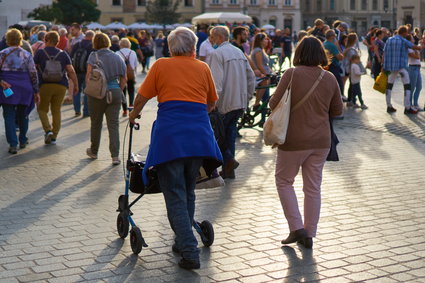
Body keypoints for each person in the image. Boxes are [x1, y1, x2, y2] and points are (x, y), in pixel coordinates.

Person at [128, 27, 222, 270]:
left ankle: (189, 251)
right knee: (188, 191)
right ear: (193, 47)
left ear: (170, 47)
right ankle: (182, 241)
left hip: (171, 139)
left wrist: (133, 115)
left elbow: (142, 97)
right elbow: (212, 102)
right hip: (199, 138)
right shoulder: (202, 67)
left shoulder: (160, 65)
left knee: (175, 197)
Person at [270, 36, 343, 249]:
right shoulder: (329, 78)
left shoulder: (291, 74)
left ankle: (296, 227)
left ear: (298, 53)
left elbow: (274, 103)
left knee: (284, 181)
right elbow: (338, 110)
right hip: (321, 141)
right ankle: (309, 233)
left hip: (293, 139)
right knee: (313, 188)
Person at [209, 26, 256, 179]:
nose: (211, 40)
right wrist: (248, 96)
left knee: (217, 136)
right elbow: (251, 77)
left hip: (225, 102)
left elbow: (217, 82)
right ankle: (229, 170)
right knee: (229, 135)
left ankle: (228, 161)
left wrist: (212, 102)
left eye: (212, 37)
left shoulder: (217, 54)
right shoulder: (238, 52)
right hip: (239, 101)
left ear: (219, 37)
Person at [85, 32, 126, 165]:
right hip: (114, 92)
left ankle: (94, 151)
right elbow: (124, 78)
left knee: (96, 123)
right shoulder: (117, 57)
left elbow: (88, 75)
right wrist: (119, 90)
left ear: (95, 43)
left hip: (98, 93)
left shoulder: (93, 56)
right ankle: (115, 156)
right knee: (113, 125)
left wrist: (89, 89)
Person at [34, 31, 79, 145]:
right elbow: (71, 71)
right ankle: (54, 136)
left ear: (46, 40)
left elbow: (33, 70)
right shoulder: (63, 54)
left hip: (44, 85)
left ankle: (48, 130)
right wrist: (75, 85)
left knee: (42, 109)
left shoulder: (40, 53)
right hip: (61, 85)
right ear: (57, 41)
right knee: (56, 110)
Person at [0, 28, 40, 154]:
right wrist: (36, 90)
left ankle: (13, 144)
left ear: (7, 40)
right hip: (24, 87)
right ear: (20, 39)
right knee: (23, 114)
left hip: (8, 86)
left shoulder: (2, 54)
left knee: (9, 115)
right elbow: (33, 73)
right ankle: (23, 139)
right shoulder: (26, 54)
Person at [383, 25, 422, 114]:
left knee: (389, 86)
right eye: (407, 32)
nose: (407, 34)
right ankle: (407, 107)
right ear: (404, 33)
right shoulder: (403, 40)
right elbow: (414, 47)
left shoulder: (389, 40)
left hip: (391, 67)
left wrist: (383, 65)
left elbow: (384, 53)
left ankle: (389, 106)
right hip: (401, 67)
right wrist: (420, 46)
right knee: (407, 86)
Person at [70, 30, 94, 117]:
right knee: (87, 91)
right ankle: (86, 111)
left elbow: (71, 57)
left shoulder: (77, 44)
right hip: (87, 71)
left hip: (76, 71)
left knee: (76, 90)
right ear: (92, 37)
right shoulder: (91, 46)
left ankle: (77, 110)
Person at [117, 38, 137, 116]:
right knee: (131, 90)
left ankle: (124, 110)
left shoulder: (117, 53)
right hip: (130, 74)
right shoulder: (133, 52)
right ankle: (131, 106)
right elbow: (135, 65)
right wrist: (134, 74)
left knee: (123, 92)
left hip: (121, 75)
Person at [251, 32, 272, 110]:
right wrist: (266, 74)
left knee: (266, 98)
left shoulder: (261, 50)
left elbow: (265, 64)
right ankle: (256, 104)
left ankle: (262, 116)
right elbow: (259, 65)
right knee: (265, 98)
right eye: (265, 39)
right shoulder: (258, 50)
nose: (267, 41)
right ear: (260, 41)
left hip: (265, 75)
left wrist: (271, 71)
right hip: (263, 76)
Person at [324, 30, 345, 100]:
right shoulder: (332, 45)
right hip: (333, 66)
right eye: (334, 36)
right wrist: (339, 48)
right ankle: (339, 97)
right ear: (332, 37)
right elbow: (339, 57)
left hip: (326, 66)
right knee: (338, 82)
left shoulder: (324, 43)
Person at [406, 35, 422, 111]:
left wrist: (418, 49)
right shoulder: (408, 48)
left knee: (419, 87)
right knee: (412, 87)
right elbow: (417, 57)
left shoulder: (414, 47)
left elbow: (419, 53)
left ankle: (416, 103)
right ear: (409, 40)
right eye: (412, 39)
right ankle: (410, 104)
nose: (413, 40)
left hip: (418, 68)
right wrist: (417, 51)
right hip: (412, 68)